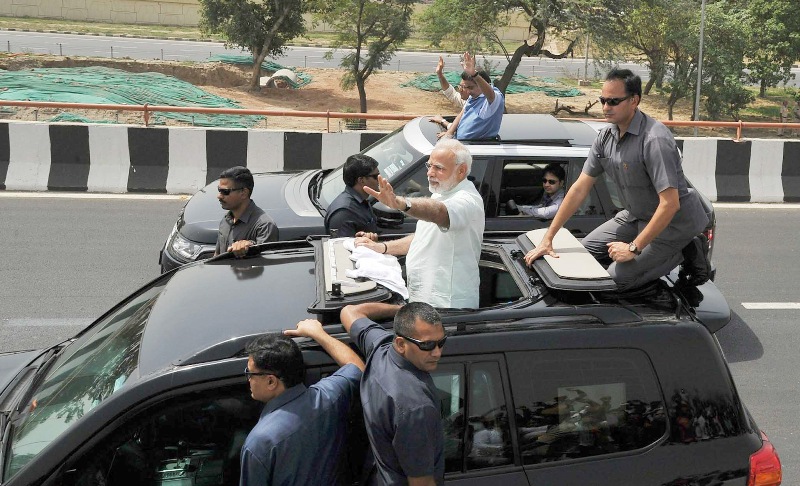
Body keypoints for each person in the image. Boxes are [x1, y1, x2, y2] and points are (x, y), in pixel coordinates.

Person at [524, 68, 709, 292]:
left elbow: (670, 204)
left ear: (634, 101)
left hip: (672, 225)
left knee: (615, 279)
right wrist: (548, 238)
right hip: (636, 215)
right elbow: (579, 188)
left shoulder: (655, 140)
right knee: (584, 255)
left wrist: (633, 248)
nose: (605, 107)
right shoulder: (605, 137)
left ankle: (687, 249)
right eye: (603, 100)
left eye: (613, 101)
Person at [355, 138, 485, 309]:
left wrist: (401, 203)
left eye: (438, 168)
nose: (430, 173)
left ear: (461, 171)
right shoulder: (442, 191)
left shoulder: (468, 200)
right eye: (429, 166)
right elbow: (423, 238)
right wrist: (382, 247)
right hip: (423, 300)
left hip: (447, 305)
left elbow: (439, 212)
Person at [240, 319, 365, 486]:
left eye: (250, 373)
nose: (248, 379)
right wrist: (318, 334)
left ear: (271, 381)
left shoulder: (259, 443)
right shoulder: (328, 397)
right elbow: (357, 367)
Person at [341, 302, 446, 486]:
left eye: (441, 342)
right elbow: (422, 483)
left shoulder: (380, 348)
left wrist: (403, 311)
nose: (437, 353)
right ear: (400, 344)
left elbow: (349, 311)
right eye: (427, 345)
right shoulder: (416, 408)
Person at [441, 52, 505, 141]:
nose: (467, 91)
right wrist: (448, 134)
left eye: (470, 87)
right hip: (461, 144)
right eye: (464, 87)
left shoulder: (494, 99)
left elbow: (490, 95)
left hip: (476, 147)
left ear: (481, 85)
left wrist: (474, 74)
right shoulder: (474, 97)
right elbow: (462, 114)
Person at [215, 166, 277, 257]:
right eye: (219, 190)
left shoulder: (264, 225)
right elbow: (217, 256)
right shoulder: (226, 220)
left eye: (225, 191)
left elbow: (266, 263)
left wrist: (249, 247)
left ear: (243, 193)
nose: (219, 196)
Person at [324, 154, 381, 237]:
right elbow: (343, 245)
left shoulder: (361, 201)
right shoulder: (344, 213)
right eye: (376, 176)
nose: (380, 179)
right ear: (361, 180)